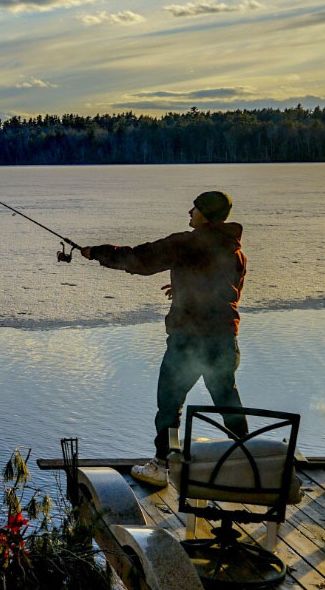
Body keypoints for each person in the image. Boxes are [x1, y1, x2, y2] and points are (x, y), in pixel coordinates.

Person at [80, 190, 248, 487]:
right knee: (227, 400)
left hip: (189, 341)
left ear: (206, 215)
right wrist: (183, 288)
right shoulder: (235, 250)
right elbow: (227, 289)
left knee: (169, 403)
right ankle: (247, 458)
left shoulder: (186, 243)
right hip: (223, 339)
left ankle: (162, 464)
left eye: (195, 208)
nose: (189, 212)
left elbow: (139, 260)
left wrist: (97, 252)